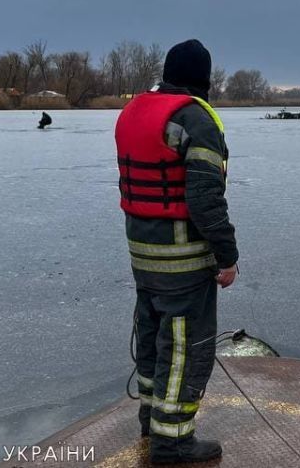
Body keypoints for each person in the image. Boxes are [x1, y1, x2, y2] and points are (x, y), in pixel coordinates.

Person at [115, 39, 238, 465]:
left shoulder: (135, 112)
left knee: (152, 342)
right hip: (184, 262)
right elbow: (205, 199)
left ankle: (152, 422)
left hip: (143, 257)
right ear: (202, 80)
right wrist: (227, 255)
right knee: (186, 352)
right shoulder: (193, 118)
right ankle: (173, 442)